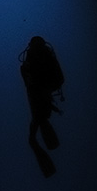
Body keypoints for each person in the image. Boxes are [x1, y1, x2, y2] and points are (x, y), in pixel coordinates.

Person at [19, 36, 65, 177]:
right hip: (44, 94)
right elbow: (58, 79)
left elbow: (30, 84)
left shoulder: (31, 58)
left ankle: (34, 140)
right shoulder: (46, 55)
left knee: (38, 119)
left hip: (39, 95)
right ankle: (36, 140)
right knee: (40, 118)